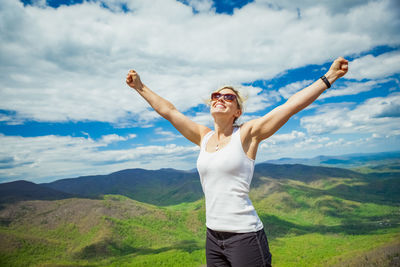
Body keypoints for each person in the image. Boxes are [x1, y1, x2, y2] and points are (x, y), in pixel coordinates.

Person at [126, 57, 349, 267]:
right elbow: (169, 111)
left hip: (245, 236)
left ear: (237, 111)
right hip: (212, 236)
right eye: (216, 96)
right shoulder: (202, 137)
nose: (220, 99)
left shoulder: (247, 134)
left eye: (228, 97)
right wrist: (139, 87)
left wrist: (328, 77)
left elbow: (290, 106)